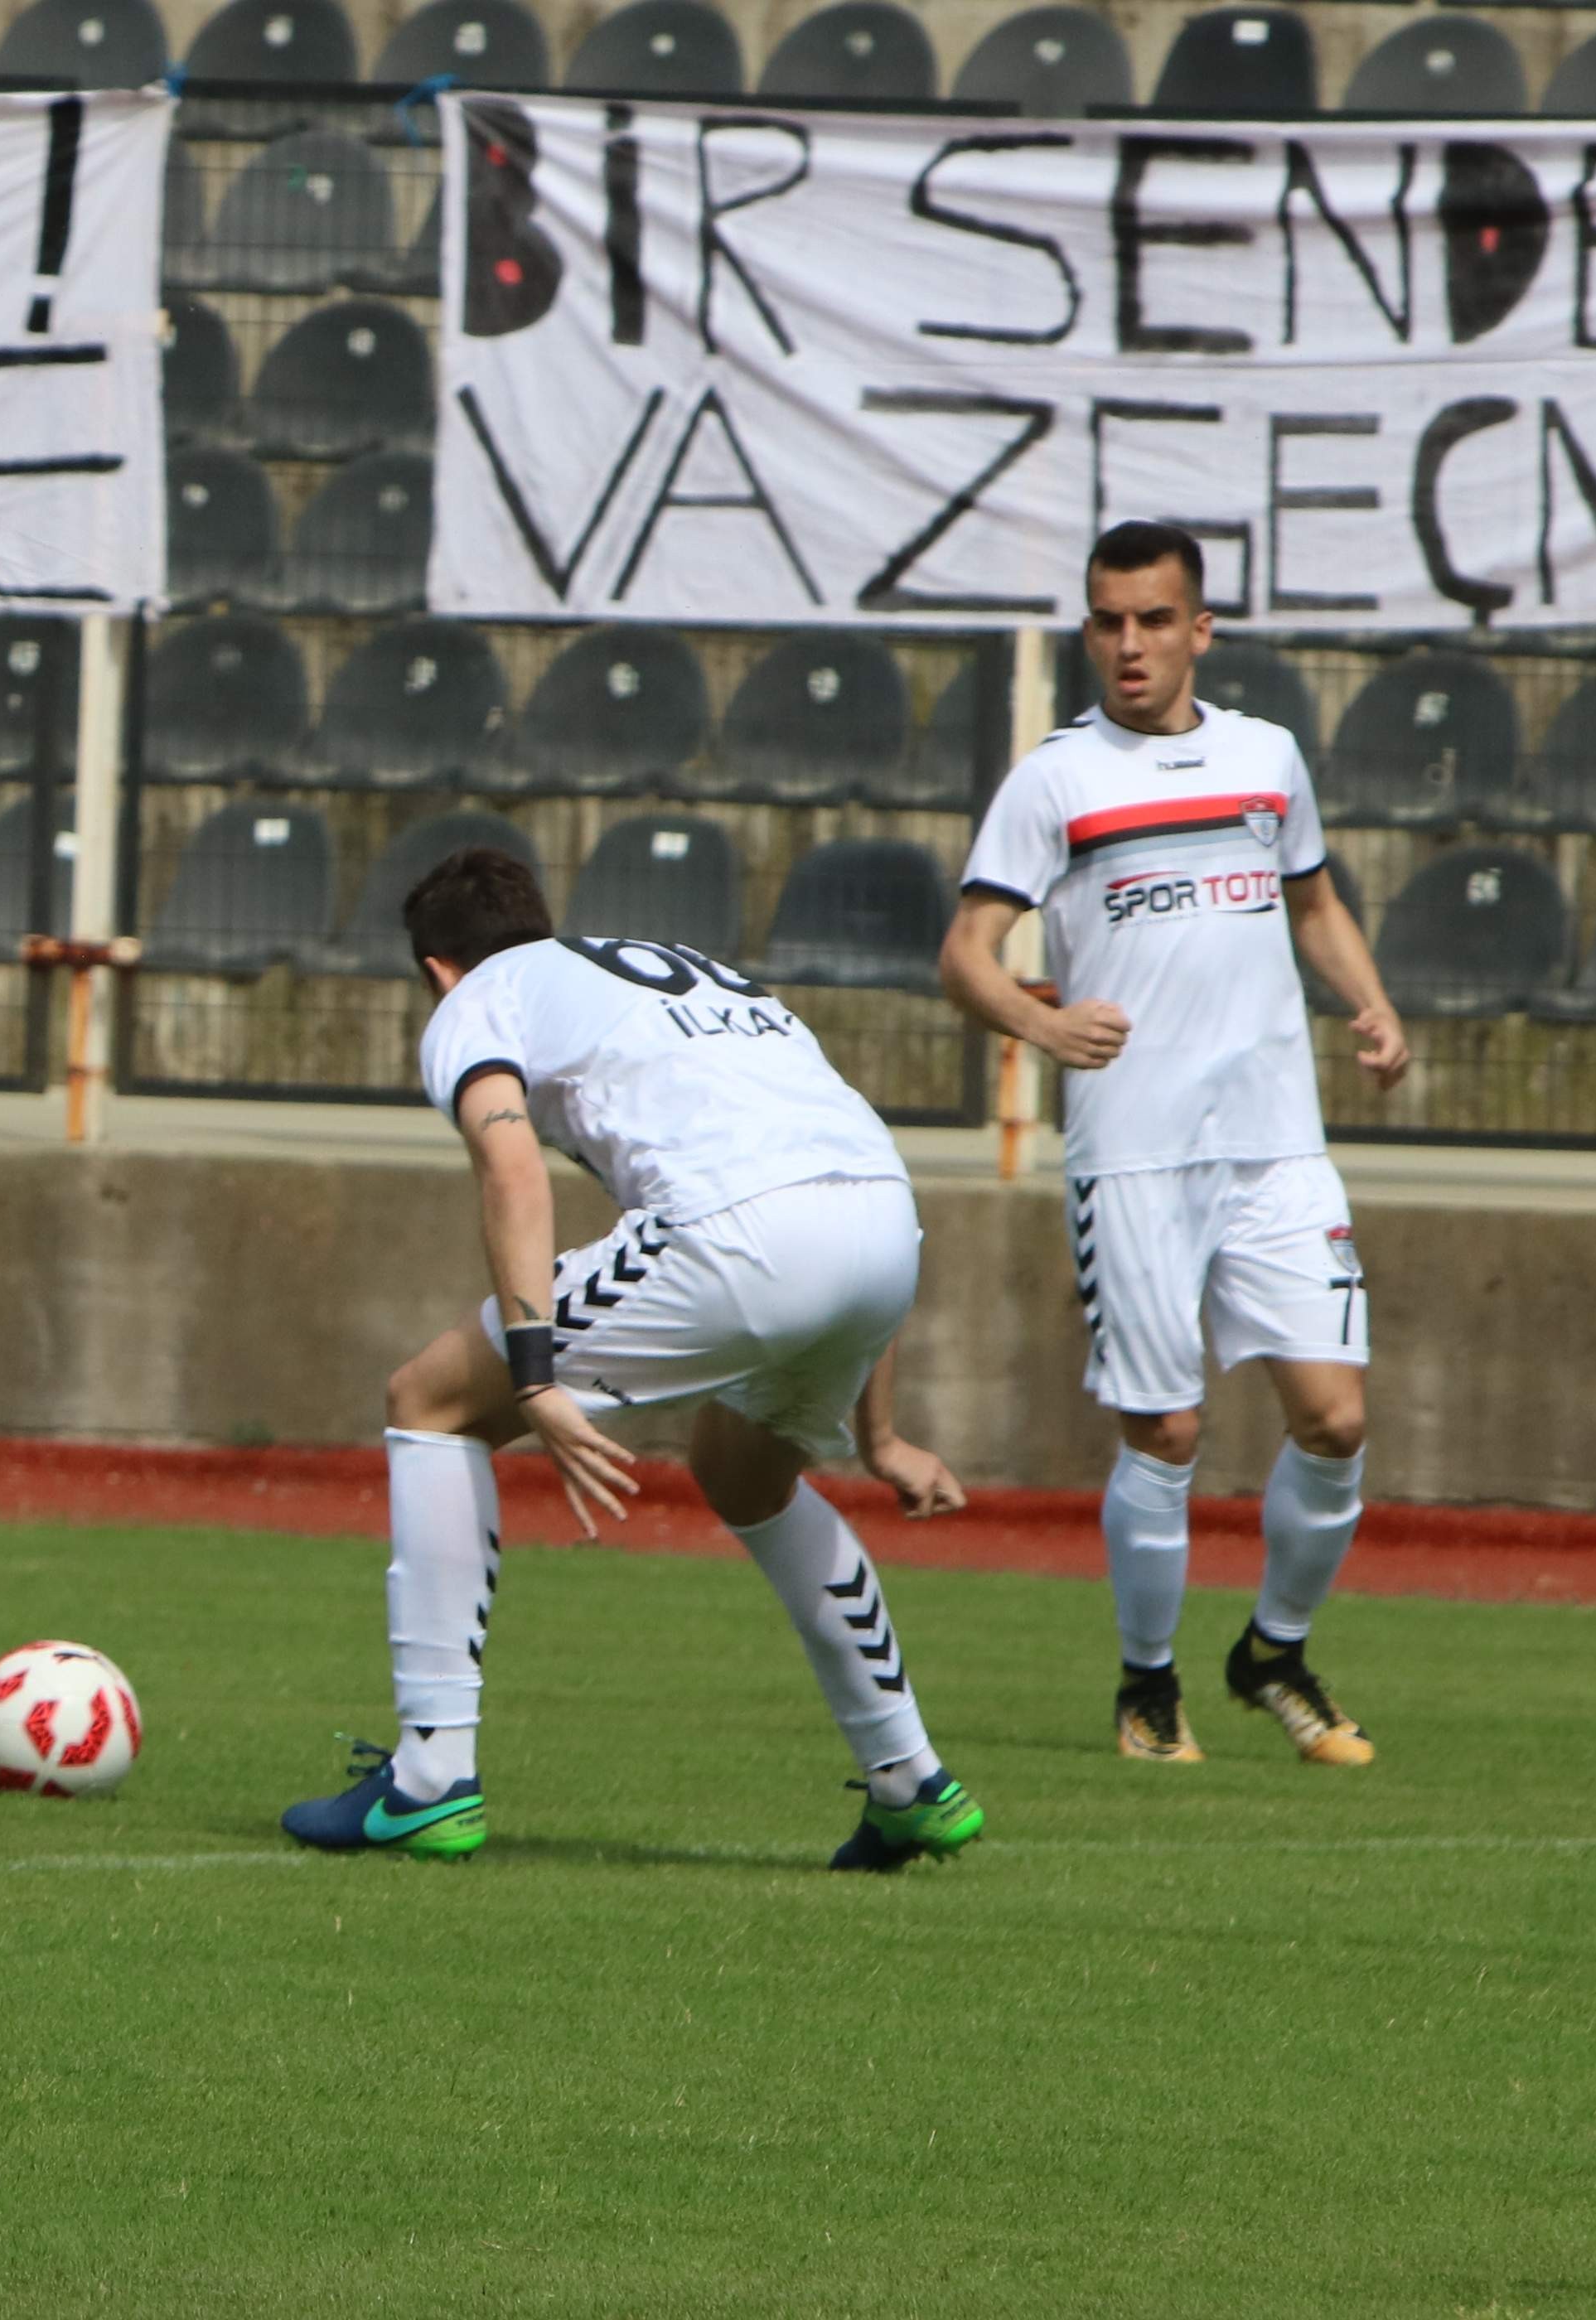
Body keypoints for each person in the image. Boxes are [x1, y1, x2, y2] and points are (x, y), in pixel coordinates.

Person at [281, 848, 984, 1869]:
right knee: (745, 1476)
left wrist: (533, 1377)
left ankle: (429, 1778)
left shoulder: (478, 997)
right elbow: (828, 1160)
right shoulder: (688, 971)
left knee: (427, 1402)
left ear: (437, 967)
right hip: (886, 1224)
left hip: (739, 1231)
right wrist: (879, 1436)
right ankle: (907, 1778)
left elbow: (513, 1174)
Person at [940, 521, 1410, 1769]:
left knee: (1334, 1420)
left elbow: (1311, 901)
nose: (1129, 644)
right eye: (1107, 622)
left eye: (1153, 620)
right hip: (1132, 1152)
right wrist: (1044, 1028)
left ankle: (1273, 1650)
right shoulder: (1054, 779)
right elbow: (964, 957)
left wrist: (1368, 1001)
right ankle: (1145, 1688)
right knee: (1165, 1434)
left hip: (1272, 1143)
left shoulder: (1263, 758)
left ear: (1199, 629)